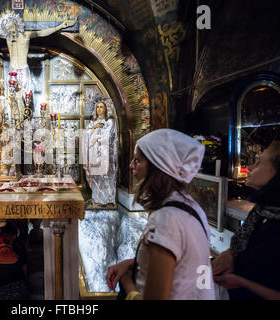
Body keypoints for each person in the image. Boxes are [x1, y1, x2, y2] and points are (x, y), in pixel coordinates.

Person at [106, 129, 215, 300]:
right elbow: (181, 268)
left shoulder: (167, 219)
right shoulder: (191, 207)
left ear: (157, 166)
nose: (131, 166)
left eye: (137, 160)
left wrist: (127, 282)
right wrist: (131, 264)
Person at [212, 140, 280, 300]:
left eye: (259, 162)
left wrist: (241, 282)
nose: (249, 167)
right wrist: (230, 254)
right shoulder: (262, 211)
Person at [0, 12, 76, 94]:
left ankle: (24, 121)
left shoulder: (26, 35)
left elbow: (42, 32)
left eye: (12, 26)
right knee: (13, 96)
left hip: (24, 68)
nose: (11, 30)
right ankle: (15, 122)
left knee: (26, 95)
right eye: (8, 28)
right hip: (13, 69)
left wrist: (60, 26)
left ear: (16, 25)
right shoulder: (7, 37)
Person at [83, 98, 118, 207]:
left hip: (106, 155)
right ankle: (97, 199)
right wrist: (93, 128)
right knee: (96, 177)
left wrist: (95, 138)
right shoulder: (92, 123)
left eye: (101, 107)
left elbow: (108, 136)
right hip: (94, 155)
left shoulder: (110, 122)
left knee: (106, 177)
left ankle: (107, 200)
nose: (99, 109)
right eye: (97, 107)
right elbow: (85, 135)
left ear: (106, 108)